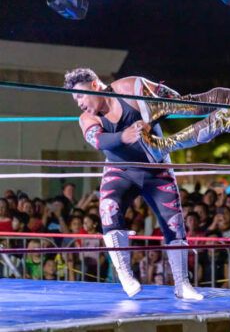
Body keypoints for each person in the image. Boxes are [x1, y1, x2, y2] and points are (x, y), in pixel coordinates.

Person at [64, 68, 202, 299]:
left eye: (80, 95)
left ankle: (182, 283)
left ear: (95, 85)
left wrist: (153, 116)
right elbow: (97, 140)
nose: (78, 103)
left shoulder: (130, 88)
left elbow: (173, 99)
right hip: (120, 171)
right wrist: (123, 136)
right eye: (75, 99)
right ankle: (125, 275)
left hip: (156, 169)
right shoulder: (87, 118)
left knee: (175, 224)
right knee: (108, 209)